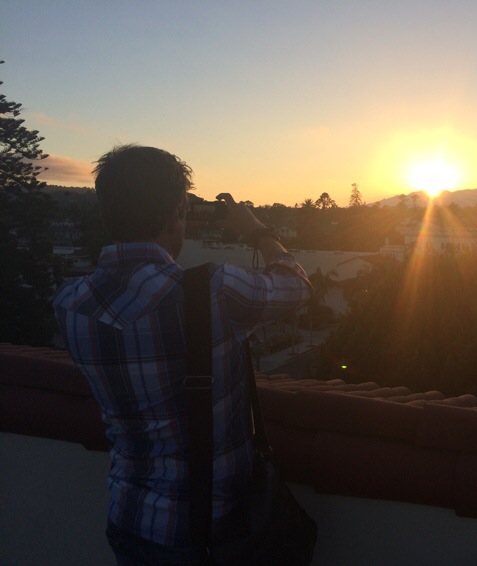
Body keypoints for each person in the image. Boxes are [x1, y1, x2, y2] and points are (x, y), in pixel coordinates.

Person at [53, 144, 312, 564]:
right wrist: (258, 231)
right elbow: (296, 285)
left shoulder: (69, 303)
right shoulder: (213, 292)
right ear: (178, 210)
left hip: (129, 522)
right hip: (210, 533)